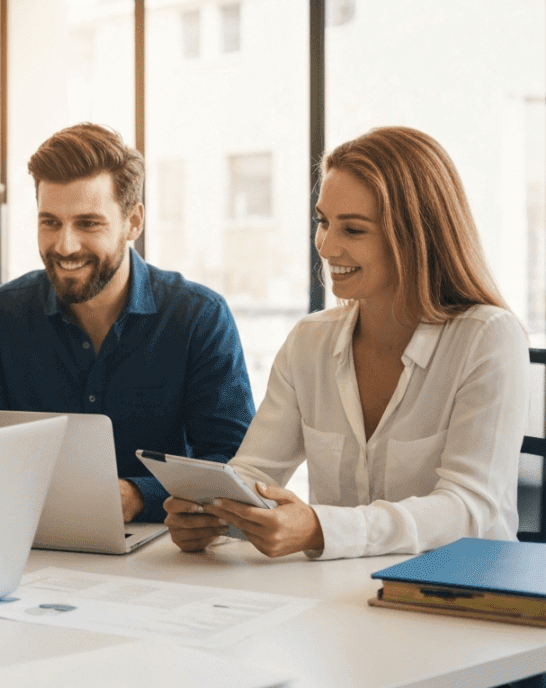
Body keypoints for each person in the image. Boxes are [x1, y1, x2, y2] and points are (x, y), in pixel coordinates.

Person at [165, 126, 528, 560]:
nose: (327, 246)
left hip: (463, 596)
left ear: (416, 236)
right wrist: (212, 514)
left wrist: (322, 528)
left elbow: (468, 509)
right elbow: (255, 473)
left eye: (353, 230)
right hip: (341, 597)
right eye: (323, 222)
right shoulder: (309, 341)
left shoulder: (488, 338)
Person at [0, 123, 255, 523]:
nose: (65, 246)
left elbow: (231, 461)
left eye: (88, 223)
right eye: (50, 222)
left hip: (164, 550)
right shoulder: (1, 314)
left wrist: (137, 495)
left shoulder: (198, 316)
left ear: (133, 222)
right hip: (32, 542)